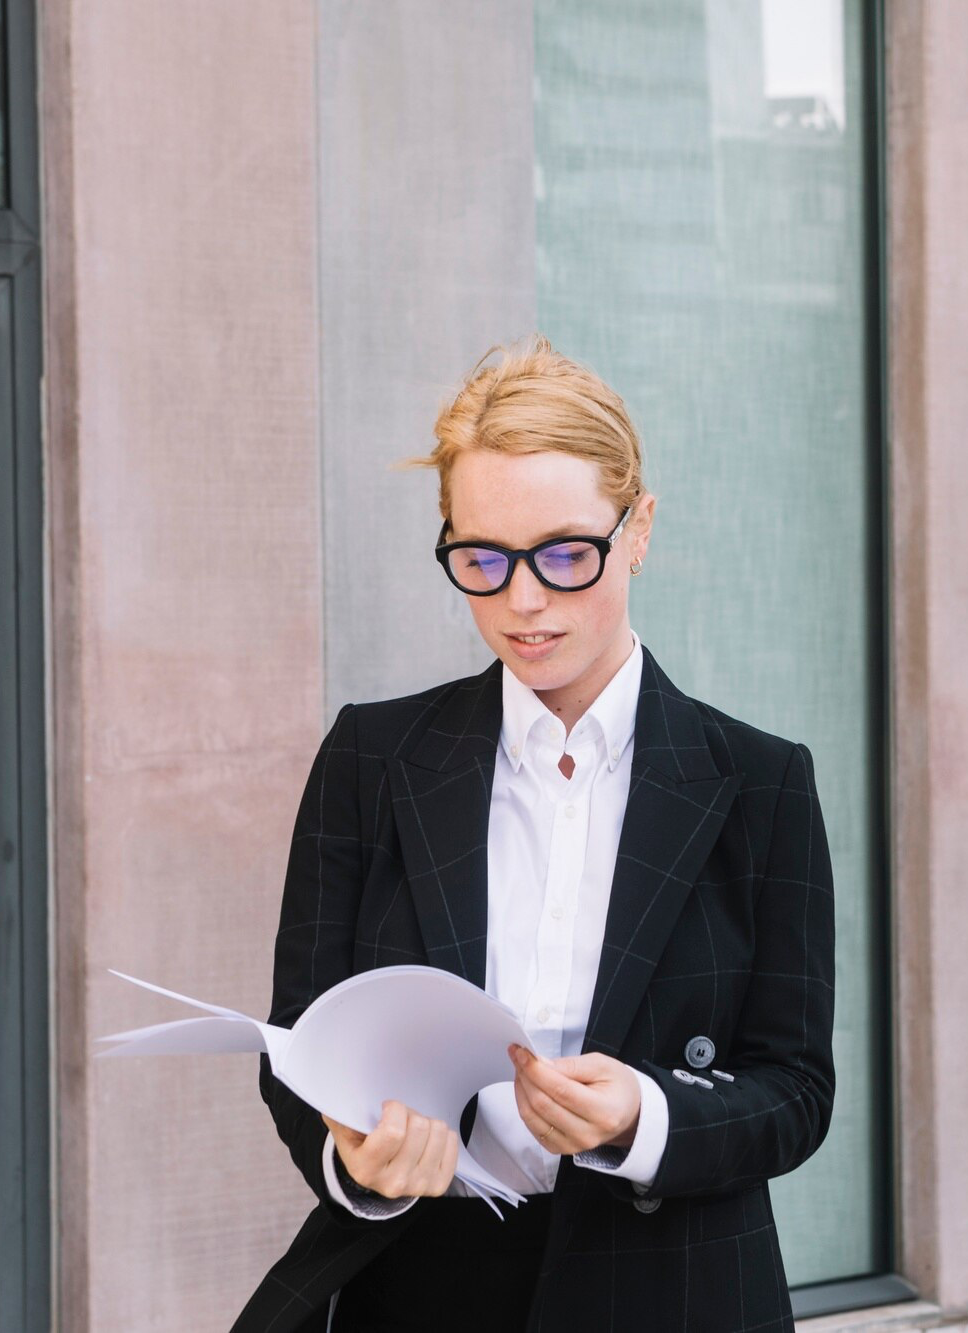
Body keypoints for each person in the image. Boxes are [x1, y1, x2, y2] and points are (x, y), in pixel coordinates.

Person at [231, 334, 836, 1333]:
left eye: (564, 554)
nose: (521, 600)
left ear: (637, 528)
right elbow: (298, 1045)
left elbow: (795, 1086)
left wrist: (647, 1117)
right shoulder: (371, 762)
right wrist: (359, 1162)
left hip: (666, 1288)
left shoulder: (757, 783)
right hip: (419, 1286)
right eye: (481, 557)